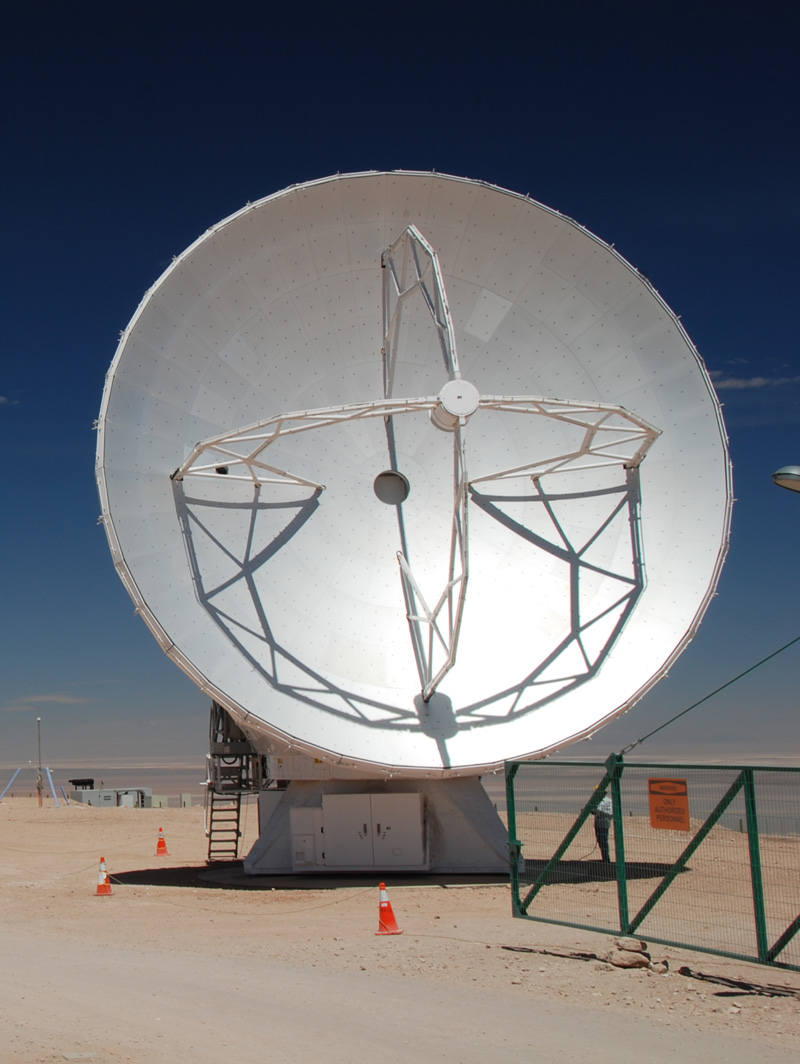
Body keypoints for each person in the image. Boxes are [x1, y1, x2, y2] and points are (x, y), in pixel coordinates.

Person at [593, 791, 613, 862]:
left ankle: (606, 859)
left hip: (604, 824)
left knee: (604, 841)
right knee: (600, 841)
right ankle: (604, 857)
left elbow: (610, 813)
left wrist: (599, 812)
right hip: (597, 824)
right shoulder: (595, 800)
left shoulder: (608, 801)